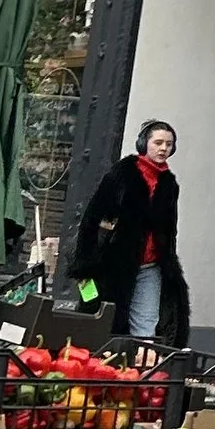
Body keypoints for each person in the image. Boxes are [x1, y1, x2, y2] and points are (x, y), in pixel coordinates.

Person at [72, 117, 192, 349]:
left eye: (168, 144)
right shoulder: (122, 174)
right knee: (105, 317)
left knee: (146, 322)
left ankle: (137, 374)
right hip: (114, 263)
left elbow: (170, 230)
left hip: (151, 265)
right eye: (158, 142)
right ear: (144, 144)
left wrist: (167, 260)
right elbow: (92, 217)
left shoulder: (169, 184)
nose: (163, 148)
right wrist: (85, 263)